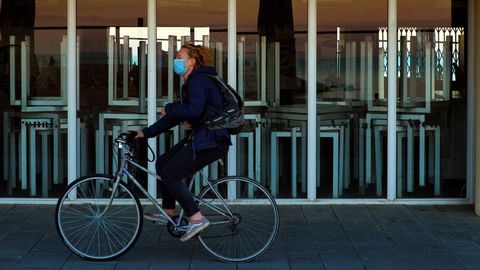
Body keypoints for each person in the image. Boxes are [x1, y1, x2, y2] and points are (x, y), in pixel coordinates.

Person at [135, 44, 231, 242]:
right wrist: (145, 133)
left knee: (171, 175)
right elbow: (177, 116)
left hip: (211, 140)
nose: (175, 60)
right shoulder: (192, 82)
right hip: (202, 137)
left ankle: (196, 218)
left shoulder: (199, 81)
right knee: (163, 164)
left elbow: (192, 111)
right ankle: (168, 212)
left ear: (191, 62)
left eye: (179, 56)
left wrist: (170, 108)